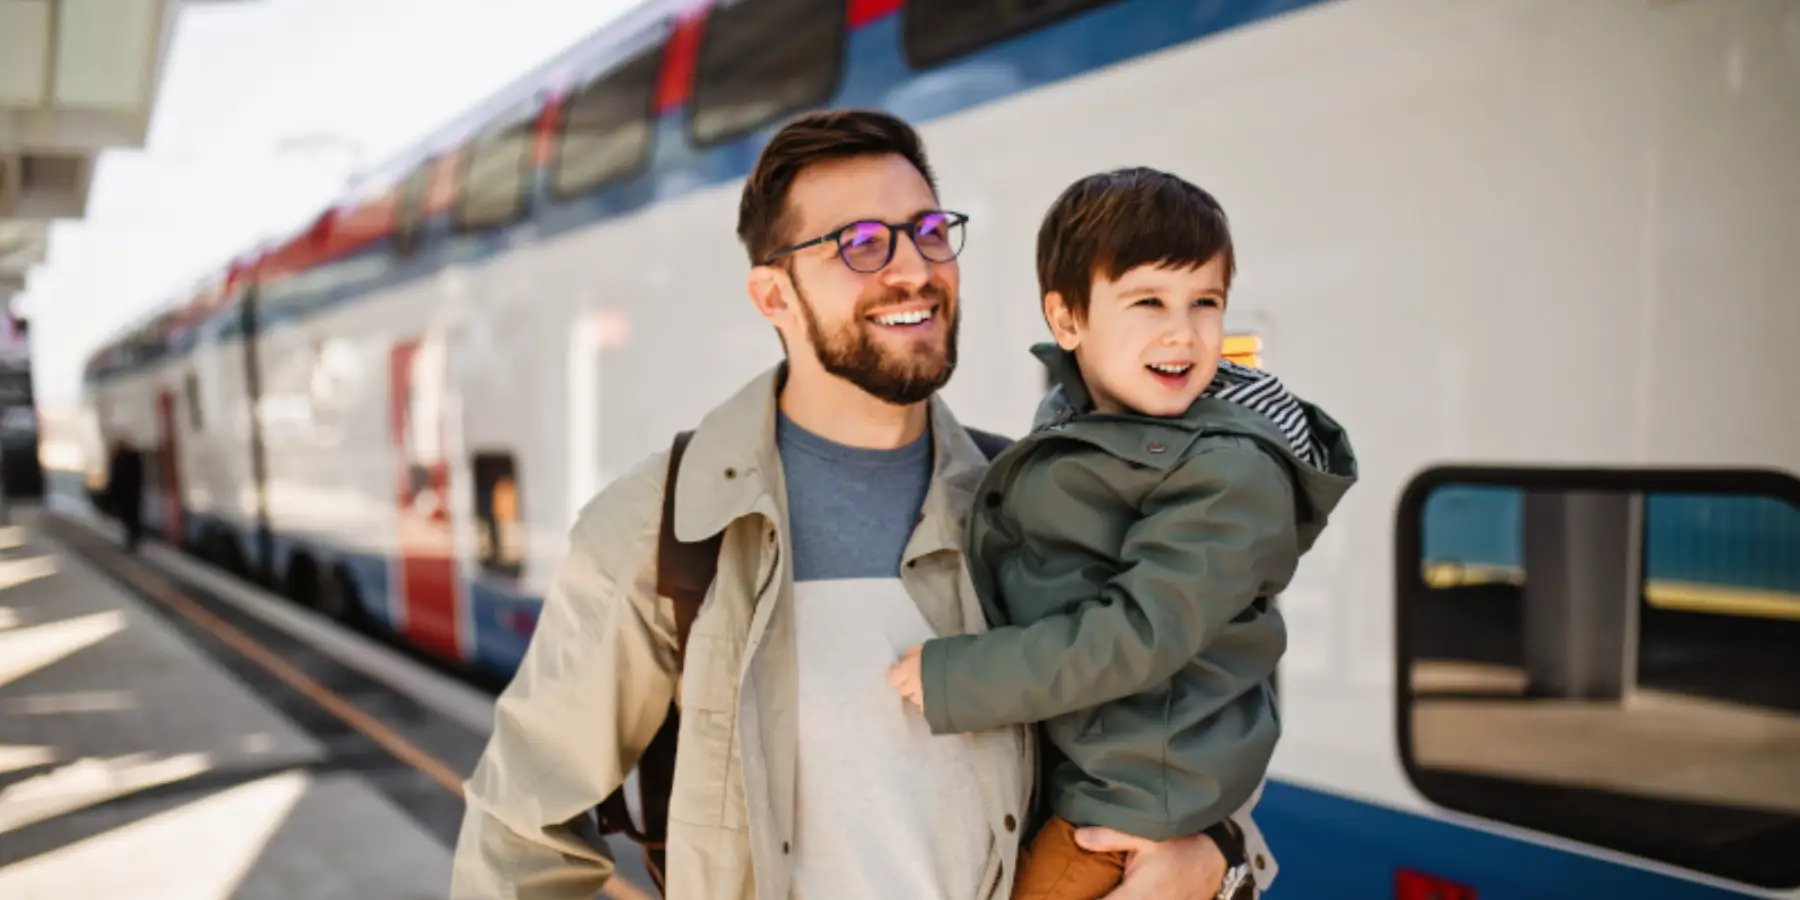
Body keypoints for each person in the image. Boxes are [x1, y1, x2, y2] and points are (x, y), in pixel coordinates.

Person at [450, 109, 1273, 900]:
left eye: (926, 232)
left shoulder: (1029, 493)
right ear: (774, 297)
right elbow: (521, 837)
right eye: (861, 244)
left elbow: (1192, 706)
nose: (912, 268)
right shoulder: (665, 524)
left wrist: (1222, 854)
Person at [886, 168, 1358, 900]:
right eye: (1149, 301)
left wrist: (960, 677)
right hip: (1101, 766)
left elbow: (1135, 636)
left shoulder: (1230, 475)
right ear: (1067, 320)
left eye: (1205, 302)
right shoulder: (1090, 424)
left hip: (1129, 802)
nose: (1184, 331)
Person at [105, 437, 144, 552]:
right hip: (131, 493)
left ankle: (133, 537)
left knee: (129, 517)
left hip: (126, 493)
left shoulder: (118, 459)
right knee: (132, 516)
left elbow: (114, 479)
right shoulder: (132, 458)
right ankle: (133, 537)